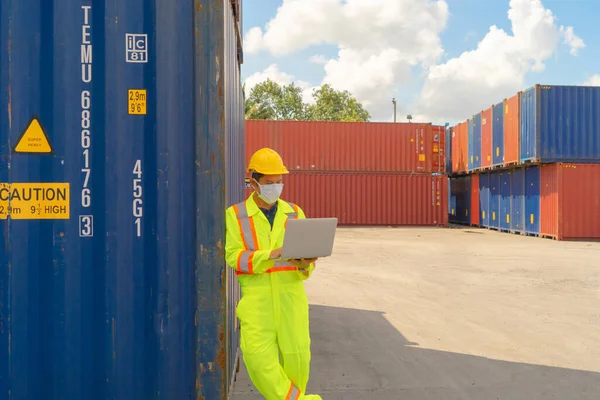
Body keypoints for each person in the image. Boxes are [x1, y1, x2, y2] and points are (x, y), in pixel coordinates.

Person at [225, 148, 322, 400]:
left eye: (279, 182)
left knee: (297, 361)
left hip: (291, 298)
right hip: (257, 303)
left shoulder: (295, 212)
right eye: (269, 183)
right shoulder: (236, 215)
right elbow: (234, 257)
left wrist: (305, 264)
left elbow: (306, 268)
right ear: (253, 182)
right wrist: (272, 254)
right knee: (259, 362)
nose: (275, 187)